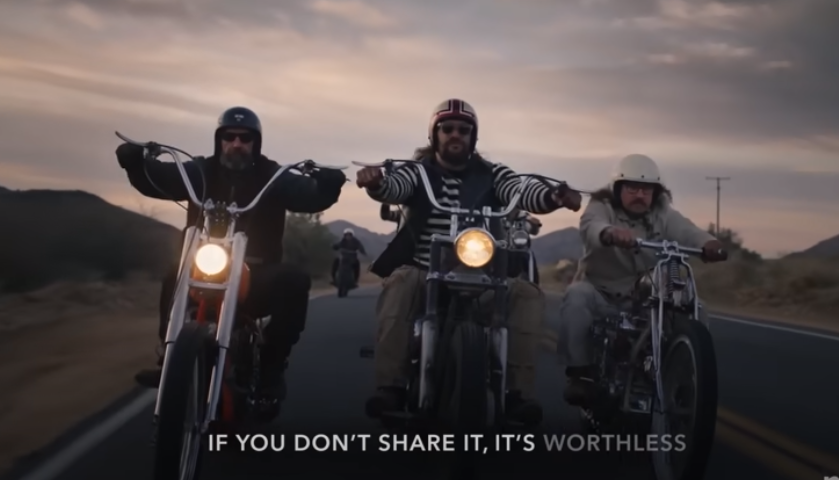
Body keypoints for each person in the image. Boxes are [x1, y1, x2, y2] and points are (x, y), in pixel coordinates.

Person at [355, 98, 582, 427]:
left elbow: (519, 189)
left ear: (473, 137)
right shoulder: (417, 171)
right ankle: (390, 385)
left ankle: (517, 394)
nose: (455, 135)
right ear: (435, 135)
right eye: (447, 129)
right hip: (425, 268)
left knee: (527, 294)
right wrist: (376, 181)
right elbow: (395, 186)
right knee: (400, 282)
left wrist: (553, 196)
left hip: (484, 273)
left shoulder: (494, 174)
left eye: (463, 129)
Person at [115, 106, 346, 408]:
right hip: (203, 268)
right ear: (219, 140)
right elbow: (157, 179)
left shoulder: (272, 176)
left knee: (294, 281)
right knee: (175, 273)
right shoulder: (199, 171)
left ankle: (272, 368)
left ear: (256, 143)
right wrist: (135, 164)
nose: (237, 144)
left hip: (258, 274)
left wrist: (328, 185)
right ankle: (169, 356)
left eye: (245, 138)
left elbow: (309, 196)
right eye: (230, 137)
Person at [556, 153, 726, 406]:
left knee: (696, 309)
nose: (639, 195)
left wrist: (709, 243)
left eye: (646, 190)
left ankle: (685, 376)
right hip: (602, 293)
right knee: (576, 296)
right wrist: (609, 232)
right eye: (632, 188)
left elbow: (686, 229)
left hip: (646, 299)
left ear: (655, 193)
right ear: (618, 189)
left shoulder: (662, 213)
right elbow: (591, 226)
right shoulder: (601, 207)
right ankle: (580, 375)